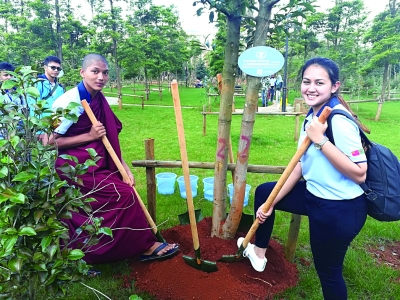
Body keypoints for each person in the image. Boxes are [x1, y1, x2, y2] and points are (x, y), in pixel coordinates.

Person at [239, 57, 370, 299]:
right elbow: (301, 164)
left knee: (328, 273)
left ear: (334, 86)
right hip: (315, 195)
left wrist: (321, 140)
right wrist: (272, 202)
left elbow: (360, 172)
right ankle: (258, 254)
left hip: (339, 209)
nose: (311, 88)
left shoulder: (338, 120)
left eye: (319, 82)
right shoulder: (314, 115)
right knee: (265, 193)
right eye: (306, 81)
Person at [50, 54, 179, 265]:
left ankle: (90, 251)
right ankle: (145, 246)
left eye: (105, 73)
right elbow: (47, 141)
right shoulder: (68, 102)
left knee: (122, 190)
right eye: (95, 71)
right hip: (74, 169)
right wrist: (88, 136)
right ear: (82, 73)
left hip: (98, 164)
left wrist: (124, 168)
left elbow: (108, 139)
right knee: (124, 194)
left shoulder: (98, 98)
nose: (101, 77)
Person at [0, 62, 28, 139]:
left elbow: (24, 110)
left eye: (11, 75)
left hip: (19, 128)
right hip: (3, 129)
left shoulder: (19, 92)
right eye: (5, 75)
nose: (9, 77)